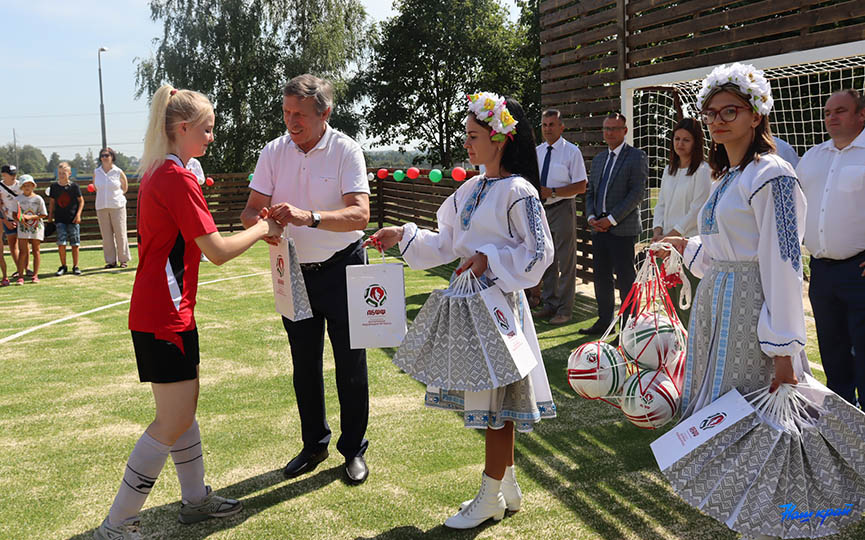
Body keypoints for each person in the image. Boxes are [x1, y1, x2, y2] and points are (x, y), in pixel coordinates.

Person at [94, 85, 283, 540]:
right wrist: (262, 229)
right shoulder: (175, 178)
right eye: (207, 130)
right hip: (164, 315)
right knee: (172, 418)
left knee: (183, 408)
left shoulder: (164, 171)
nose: (212, 138)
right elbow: (216, 250)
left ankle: (195, 499)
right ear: (182, 129)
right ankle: (118, 522)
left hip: (165, 312)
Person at [366, 92, 555, 529]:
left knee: (497, 402)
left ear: (500, 138)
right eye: (466, 137)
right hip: (473, 304)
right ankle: (504, 485)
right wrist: (402, 235)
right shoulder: (470, 188)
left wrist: (490, 258)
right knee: (492, 400)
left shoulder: (518, 190)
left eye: (473, 136)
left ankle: (491, 492)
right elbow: (446, 244)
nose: (467, 144)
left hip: (500, 305)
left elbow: (539, 253)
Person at [240, 74, 372, 485]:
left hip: (345, 265)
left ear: (325, 113)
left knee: (351, 365)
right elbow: (250, 211)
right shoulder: (273, 151)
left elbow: (360, 215)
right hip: (293, 272)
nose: (290, 121)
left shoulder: (347, 150)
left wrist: (308, 216)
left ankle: (353, 449)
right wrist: (265, 224)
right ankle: (314, 443)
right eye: (286, 112)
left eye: (299, 114)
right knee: (304, 365)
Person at [662, 63, 808, 420]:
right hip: (715, 303)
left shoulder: (772, 173)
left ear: (756, 116)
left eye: (730, 111)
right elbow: (723, 248)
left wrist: (783, 351)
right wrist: (686, 247)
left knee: (746, 415)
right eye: (710, 113)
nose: (717, 120)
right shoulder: (727, 177)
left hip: (749, 308)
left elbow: (783, 262)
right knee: (712, 411)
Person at [796, 89, 865, 408]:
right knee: (832, 352)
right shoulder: (812, 157)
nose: (831, 117)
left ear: (860, 115)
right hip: (821, 272)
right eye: (827, 112)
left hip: (859, 271)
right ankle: (841, 425)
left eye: (840, 111)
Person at [581, 113, 647, 334]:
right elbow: (590, 192)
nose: (609, 132)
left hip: (622, 230)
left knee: (626, 279)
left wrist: (611, 220)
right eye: (606, 128)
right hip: (598, 229)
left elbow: (637, 193)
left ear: (625, 131)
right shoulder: (599, 159)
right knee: (601, 277)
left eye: (614, 128)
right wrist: (591, 217)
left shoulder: (636, 157)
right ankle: (604, 321)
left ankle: (629, 328)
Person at [650, 118, 712, 326]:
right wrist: (658, 230)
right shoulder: (669, 170)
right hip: (666, 247)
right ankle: (679, 351)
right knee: (671, 303)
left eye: (686, 140)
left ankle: (694, 353)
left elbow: (697, 209)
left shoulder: (703, 170)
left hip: (689, 249)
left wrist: (671, 236)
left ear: (696, 143)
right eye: (677, 139)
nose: (680, 144)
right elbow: (661, 204)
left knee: (690, 303)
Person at [532, 108, 587, 325]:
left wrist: (553, 191)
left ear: (561, 127)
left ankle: (565, 310)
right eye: (544, 125)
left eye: (552, 124)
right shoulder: (537, 152)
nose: (547, 129)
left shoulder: (572, 152)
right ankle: (549, 304)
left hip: (563, 207)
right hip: (541, 209)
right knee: (547, 259)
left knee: (565, 261)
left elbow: (581, 185)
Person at [93, 147, 131, 268]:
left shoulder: (118, 171)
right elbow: (95, 187)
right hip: (101, 206)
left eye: (107, 155)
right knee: (106, 236)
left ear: (112, 157)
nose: (104, 158)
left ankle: (123, 259)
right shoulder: (96, 172)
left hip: (117, 206)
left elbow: (124, 188)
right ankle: (110, 261)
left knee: (120, 233)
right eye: (102, 156)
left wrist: (116, 197)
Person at [48, 162, 84, 276]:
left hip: (73, 219)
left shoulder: (74, 186)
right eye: (59, 173)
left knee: (75, 243)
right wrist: (50, 216)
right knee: (61, 243)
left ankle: (76, 266)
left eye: (64, 173)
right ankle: (63, 266)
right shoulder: (54, 187)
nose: (62, 175)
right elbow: (52, 202)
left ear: (69, 173)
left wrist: (78, 215)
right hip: (59, 219)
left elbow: (81, 201)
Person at [14, 175, 47, 284]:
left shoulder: (38, 199)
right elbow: (15, 214)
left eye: (29, 185)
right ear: (21, 187)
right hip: (23, 229)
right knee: (23, 251)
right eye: (25, 185)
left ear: (33, 186)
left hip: (36, 228)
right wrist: (20, 218)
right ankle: (20, 276)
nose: (27, 187)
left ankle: (35, 275)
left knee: (36, 251)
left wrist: (30, 217)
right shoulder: (18, 199)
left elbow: (43, 214)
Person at [1, 164, 24, 283]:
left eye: (14, 174)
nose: (14, 176)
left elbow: (25, 200)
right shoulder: (0, 187)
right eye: (11, 174)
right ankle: (18, 269)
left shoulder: (20, 185)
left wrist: (20, 218)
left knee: (24, 245)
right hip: (7, 219)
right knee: (12, 244)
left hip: (21, 218)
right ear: (4, 175)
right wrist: (6, 221)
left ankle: (26, 268)